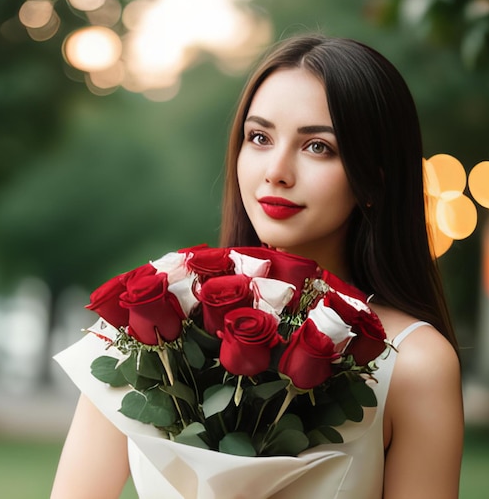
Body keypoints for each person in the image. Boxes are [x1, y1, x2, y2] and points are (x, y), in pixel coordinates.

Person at [51, 34, 463, 499]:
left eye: (318, 147)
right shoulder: (151, 325)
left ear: (373, 178)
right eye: (260, 138)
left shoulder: (416, 363)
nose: (277, 171)